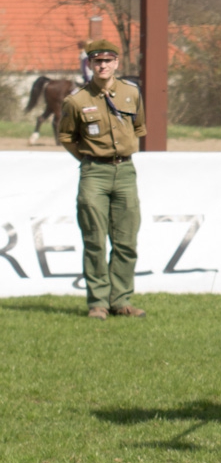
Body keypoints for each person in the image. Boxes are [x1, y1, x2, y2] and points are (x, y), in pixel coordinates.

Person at [58, 39, 147, 320]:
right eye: (97, 61)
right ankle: (98, 302)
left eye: (108, 61)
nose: (103, 65)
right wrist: (88, 158)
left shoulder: (131, 94)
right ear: (90, 64)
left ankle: (121, 300)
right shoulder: (77, 100)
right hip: (94, 172)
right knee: (95, 238)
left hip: (125, 172)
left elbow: (139, 129)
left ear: (117, 63)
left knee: (126, 240)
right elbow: (66, 137)